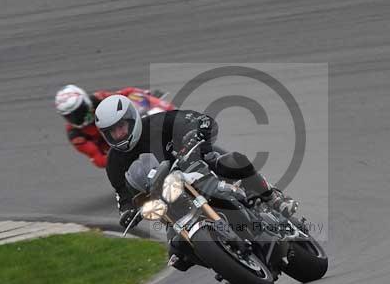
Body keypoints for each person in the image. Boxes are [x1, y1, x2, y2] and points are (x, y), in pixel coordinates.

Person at [94, 94, 298, 270]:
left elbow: (197, 119)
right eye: (113, 132)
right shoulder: (114, 163)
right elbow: (123, 195)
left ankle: (272, 198)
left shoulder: (159, 122)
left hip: (196, 166)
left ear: (132, 119)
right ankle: (221, 260)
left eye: (121, 127)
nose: (119, 134)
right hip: (169, 197)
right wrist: (127, 213)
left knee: (233, 161)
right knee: (177, 254)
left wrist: (200, 129)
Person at [54, 84, 171, 169]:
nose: (77, 117)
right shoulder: (75, 134)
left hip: (125, 127)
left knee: (139, 97)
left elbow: (126, 93)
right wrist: (119, 155)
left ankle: (172, 114)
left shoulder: (98, 98)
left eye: (79, 111)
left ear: (85, 100)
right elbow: (98, 159)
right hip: (115, 148)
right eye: (70, 116)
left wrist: (142, 94)